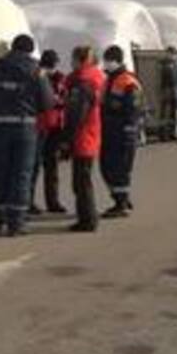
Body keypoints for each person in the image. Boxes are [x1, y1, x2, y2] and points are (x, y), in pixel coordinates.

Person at [0, 34, 54, 236]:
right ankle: (16, 223)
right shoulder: (37, 70)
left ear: (12, 47)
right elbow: (47, 102)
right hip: (24, 129)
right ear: (30, 50)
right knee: (21, 174)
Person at [61, 46, 105, 232]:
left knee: (81, 182)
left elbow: (76, 114)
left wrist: (66, 139)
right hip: (90, 135)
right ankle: (87, 217)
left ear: (80, 60)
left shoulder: (83, 83)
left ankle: (87, 219)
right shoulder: (93, 79)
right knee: (82, 180)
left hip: (83, 137)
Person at [99, 45, 142, 219]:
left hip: (122, 132)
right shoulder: (109, 79)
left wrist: (129, 133)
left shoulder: (128, 82)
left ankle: (121, 203)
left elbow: (134, 110)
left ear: (117, 61)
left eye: (108, 60)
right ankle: (121, 199)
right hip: (109, 130)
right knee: (107, 166)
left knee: (120, 169)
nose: (106, 63)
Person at [30, 50, 68, 215]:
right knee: (33, 167)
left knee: (52, 167)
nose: (51, 68)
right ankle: (28, 201)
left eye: (53, 64)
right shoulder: (36, 76)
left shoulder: (61, 78)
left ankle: (53, 202)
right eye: (48, 64)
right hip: (38, 126)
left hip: (55, 127)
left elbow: (65, 99)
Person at [157, 47, 177, 141]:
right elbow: (172, 80)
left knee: (168, 113)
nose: (175, 56)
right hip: (169, 91)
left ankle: (168, 133)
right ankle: (166, 134)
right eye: (174, 54)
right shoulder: (168, 66)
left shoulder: (167, 64)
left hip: (166, 91)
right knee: (168, 113)